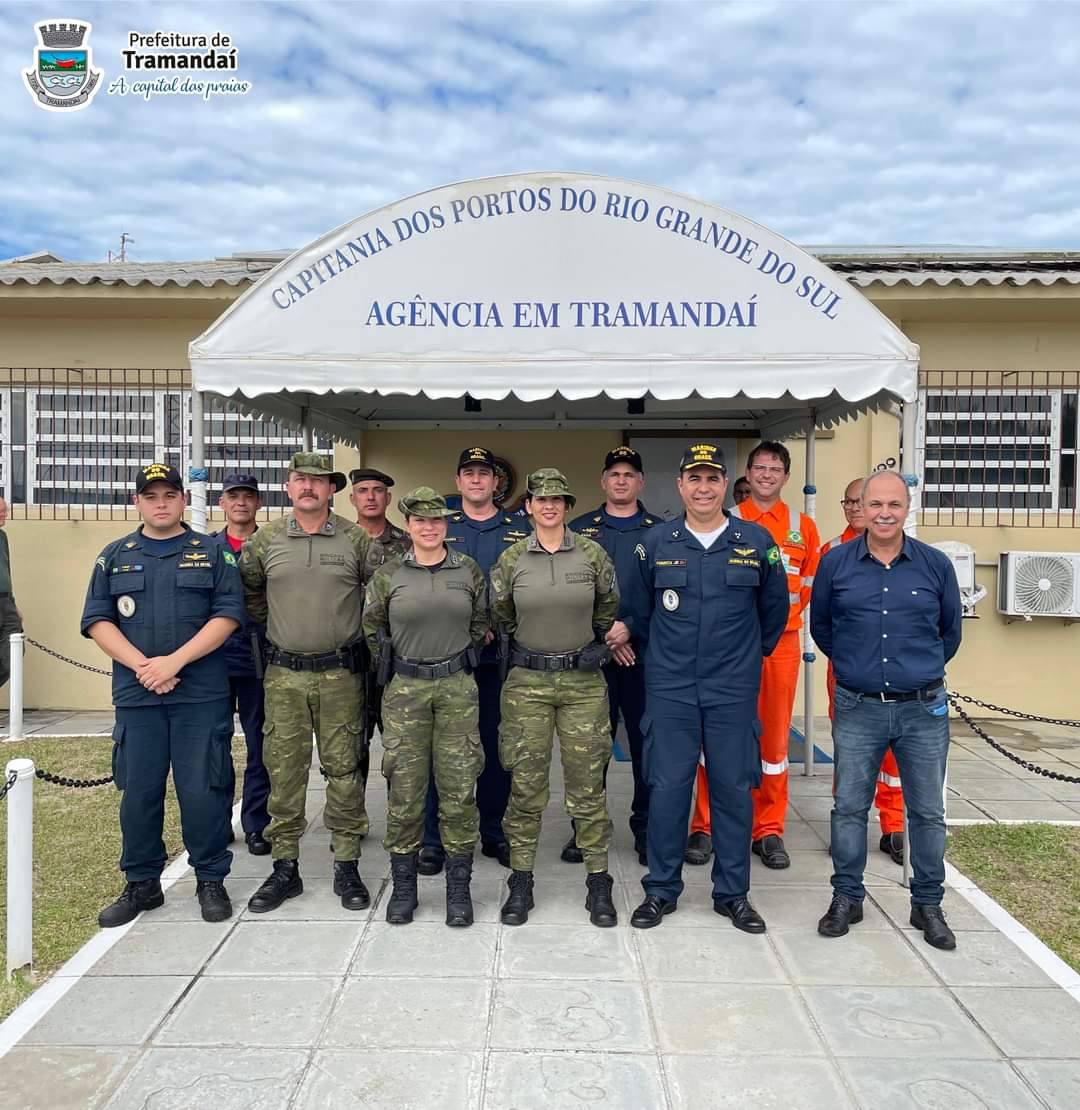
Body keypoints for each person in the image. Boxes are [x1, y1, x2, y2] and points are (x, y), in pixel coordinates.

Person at [621, 443, 788, 933]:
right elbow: (639, 613)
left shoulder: (757, 542)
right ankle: (661, 890)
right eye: (694, 478)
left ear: (724, 485)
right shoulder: (655, 543)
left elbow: (772, 614)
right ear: (679, 486)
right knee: (669, 789)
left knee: (733, 790)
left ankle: (732, 893)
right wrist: (667, 660)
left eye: (713, 478)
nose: (703, 487)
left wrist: (739, 661)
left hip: (732, 689)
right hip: (671, 687)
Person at [81, 464, 243, 926]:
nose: (161, 503)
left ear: (182, 501)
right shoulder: (114, 555)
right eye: (151, 496)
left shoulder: (211, 554)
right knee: (139, 793)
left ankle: (210, 879)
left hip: (200, 695)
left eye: (169, 494)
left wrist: (174, 663)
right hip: (138, 695)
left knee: (204, 792)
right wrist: (145, 667)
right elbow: (97, 620)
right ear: (137, 502)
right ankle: (142, 884)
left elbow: (227, 615)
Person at [811, 470, 962, 950]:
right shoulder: (836, 564)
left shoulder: (935, 565)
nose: (883, 513)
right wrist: (860, 668)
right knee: (849, 809)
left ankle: (927, 904)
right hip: (858, 707)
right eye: (874, 504)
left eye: (893, 505)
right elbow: (823, 627)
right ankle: (847, 898)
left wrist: (914, 670)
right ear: (861, 506)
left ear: (907, 508)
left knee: (926, 813)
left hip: (923, 708)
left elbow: (949, 633)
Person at [240, 452, 381, 914]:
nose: (309, 488)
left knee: (343, 769)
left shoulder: (356, 538)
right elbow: (252, 597)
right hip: (283, 676)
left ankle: (346, 862)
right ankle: (285, 867)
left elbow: (378, 596)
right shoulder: (266, 540)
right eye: (301, 479)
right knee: (285, 771)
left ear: (331, 490)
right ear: (288, 486)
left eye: (319, 481)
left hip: (341, 674)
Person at [490, 468, 620, 927]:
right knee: (526, 786)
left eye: (558, 500)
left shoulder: (591, 553)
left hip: (582, 683)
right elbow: (502, 615)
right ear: (527, 507)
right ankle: (521, 880)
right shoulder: (511, 560)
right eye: (540, 500)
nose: (549, 506)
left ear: (567, 506)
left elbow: (607, 607)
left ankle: (598, 881)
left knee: (587, 786)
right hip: (528, 682)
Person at [687, 440, 820, 870]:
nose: (766, 475)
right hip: (733, 646)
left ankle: (768, 829)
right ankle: (704, 827)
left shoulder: (803, 527)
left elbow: (808, 590)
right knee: (717, 737)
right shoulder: (726, 521)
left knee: (775, 742)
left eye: (775, 469)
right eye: (759, 467)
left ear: (785, 476)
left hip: (781, 645)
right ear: (746, 474)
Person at [362, 487, 489, 926]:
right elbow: (372, 628)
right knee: (405, 791)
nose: (429, 528)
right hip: (406, 690)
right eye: (420, 521)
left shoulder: (467, 570)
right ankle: (404, 888)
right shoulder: (389, 574)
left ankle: (458, 890)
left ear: (446, 525)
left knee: (458, 790)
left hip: (456, 687)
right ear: (409, 526)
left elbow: (481, 623)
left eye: (437, 521)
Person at [418, 447, 525, 875]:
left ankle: (494, 832)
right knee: (439, 750)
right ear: (458, 481)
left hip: (498, 660)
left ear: (496, 482)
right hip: (445, 657)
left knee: (497, 749)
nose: (477, 480)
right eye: (469, 474)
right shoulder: (440, 526)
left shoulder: (520, 529)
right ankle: (433, 838)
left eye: (484, 473)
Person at [568, 445, 658, 866]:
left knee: (646, 747)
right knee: (589, 749)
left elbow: (666, 594)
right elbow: (569, 591)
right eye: (614, 474)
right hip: (594, 658)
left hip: (643, 659)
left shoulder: (662, 531)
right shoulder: (579, 530)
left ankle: (645, 828)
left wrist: (631, 631)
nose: (621, 480)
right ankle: (585, 830)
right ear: (603, 481)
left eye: (629, 474)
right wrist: (608, 635)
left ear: (640, 482)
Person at [821, 477, 905, 866]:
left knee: (894, 757)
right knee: (850, 751)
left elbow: (945, 629)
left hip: (898, 671)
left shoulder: (911, 554)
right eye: (851, 502)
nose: (857, 509)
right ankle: (848, 828)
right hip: (848, 669)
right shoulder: (831, 552)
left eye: (863, 501)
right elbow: (819, 619)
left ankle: (894, 826)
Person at [209, 472, 271, 856]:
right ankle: (218, 822)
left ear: (258, 503)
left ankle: (256, 824)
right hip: (214, 660)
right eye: (234, 496)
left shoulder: (272, 544)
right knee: (213, 747)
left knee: (260, 747)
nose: (241, 503)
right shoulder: (206, 548)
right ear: (222, 503)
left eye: (248, 496)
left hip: (259, 659)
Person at [348, 466, 410, 770]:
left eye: (377, 491)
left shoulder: (408, 545)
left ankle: (402, 817)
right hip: (347, 659)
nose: (370, 497)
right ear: (351, 498)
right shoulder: (339, 542)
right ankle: (350, 818)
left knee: (399, 748)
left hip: (393, 659)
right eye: (363, 491)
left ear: (387, 497)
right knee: (350, 750)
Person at [0, 497, 24, 691]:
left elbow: (6, 570)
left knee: (14, 652)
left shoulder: (2, 537)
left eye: (5, 510)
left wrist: (13, 603)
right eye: (1, 511)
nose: (4, 514)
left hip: (6, 602)